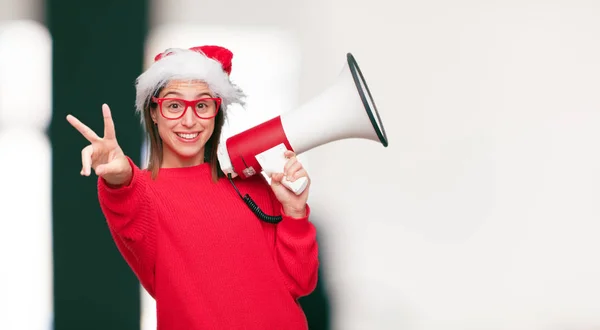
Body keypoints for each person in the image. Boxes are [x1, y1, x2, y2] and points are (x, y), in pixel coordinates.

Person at [66, 45, 320, 329]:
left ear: (216, 111)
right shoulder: (142, 191)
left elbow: (300, 283)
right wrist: (120, 176)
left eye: (202, 105)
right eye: (174, 106)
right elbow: (128, 204)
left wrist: (295, 212)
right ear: (153, 111)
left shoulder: (252, 182)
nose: (189, 120)